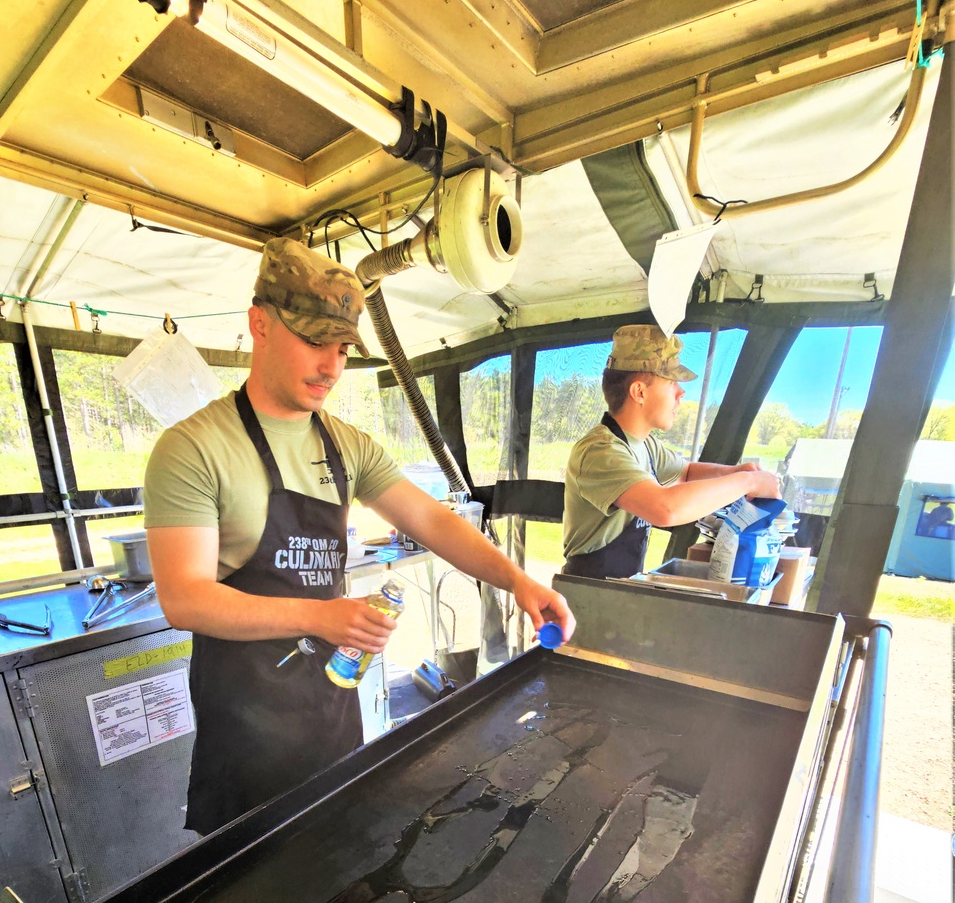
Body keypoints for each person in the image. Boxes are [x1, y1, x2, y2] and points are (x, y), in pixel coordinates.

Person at [144, 237, 575, 836]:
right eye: (314, 341)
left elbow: (432, 520)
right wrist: (320, 617)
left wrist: (519, 581)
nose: (332, 366)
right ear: (259, 324)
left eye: (344, 348)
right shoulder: (193, 448)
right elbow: (184, 598)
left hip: (330, 709)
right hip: (246, 728)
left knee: (338, 854)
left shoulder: (346, 443)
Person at [562, 324, 782, 580]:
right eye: (671, 383)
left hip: (619, 589)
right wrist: (748, 482)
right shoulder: (600, 451)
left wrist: (735, 472)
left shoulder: (645, 444)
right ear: (639, 392)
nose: (681, 392)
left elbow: (686, 473)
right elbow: (664, 509)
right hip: (586, 594)